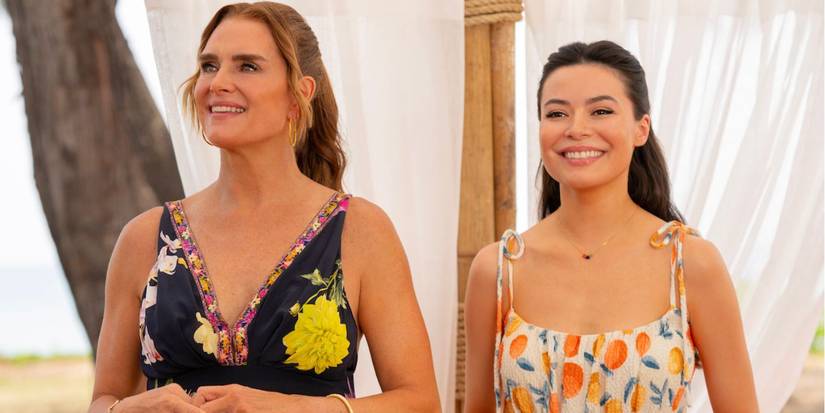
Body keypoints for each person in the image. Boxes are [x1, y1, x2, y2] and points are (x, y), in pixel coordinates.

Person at [88, 3, 439, 412]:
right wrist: (125, 409)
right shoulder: (144, 238)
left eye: (247, 67)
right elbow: (102, 400)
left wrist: (293, 408)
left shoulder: (359, 230)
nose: (217, 82)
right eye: (209, 66)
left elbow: (421, 402)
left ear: (299, 95)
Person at [463, 41, 758, 412]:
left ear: (641, 129)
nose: (576, 129)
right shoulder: (499, 269)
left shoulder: (689, 263)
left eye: (600, 111)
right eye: (556, 114)